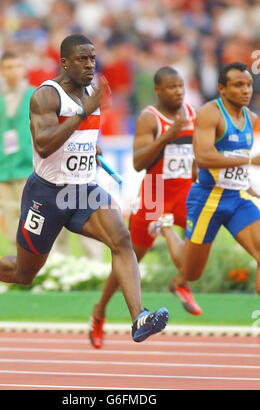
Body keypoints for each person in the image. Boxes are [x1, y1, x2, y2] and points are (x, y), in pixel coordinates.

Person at [0, 34, 169, 344]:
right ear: (64, 62)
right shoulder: (46, 96)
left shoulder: (92, 91)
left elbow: (82, 133)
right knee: (25, 273)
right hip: (47, 195)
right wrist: (83, 112)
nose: (90, 64)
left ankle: (139, 317)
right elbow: (44, 145)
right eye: (82, 59)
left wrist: (92, 147)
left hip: (83, 190)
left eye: (93, 58)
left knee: (122, 240)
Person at [89, 66, 201, 349]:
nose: (178, 92)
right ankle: (100, 310)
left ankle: (180, 282)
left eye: (181, 87)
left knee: (201, 242)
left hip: (185, 190)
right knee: (129, 260)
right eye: (172, 87)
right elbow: (138, 162)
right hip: (155, 192)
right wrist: (167, 136)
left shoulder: (192, 113)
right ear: (158, 90)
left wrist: (199, 175)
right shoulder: (149, 118)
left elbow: (194, 153)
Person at [148, 62, 260, 312]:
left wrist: (250, 186)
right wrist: (251, 160)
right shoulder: (210, 113)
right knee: (192, 272)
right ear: (221, 88)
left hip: (238, 198)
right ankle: (165, 228)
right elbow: (204, 158)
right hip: (208, 200)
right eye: (238, 85)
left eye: (249, 85)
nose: (246, 91)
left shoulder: (251, 118)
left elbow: (235, 162)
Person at [0, 52, 34, 244]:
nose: (13, 71)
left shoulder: (36, 95)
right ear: (1, 71)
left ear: (24, 69)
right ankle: (18, 272)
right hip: (4, 171)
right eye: (8, 67)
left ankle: (42, 271)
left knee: (34, 226)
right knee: (11, 229)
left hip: (29, 169)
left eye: (17, 66)